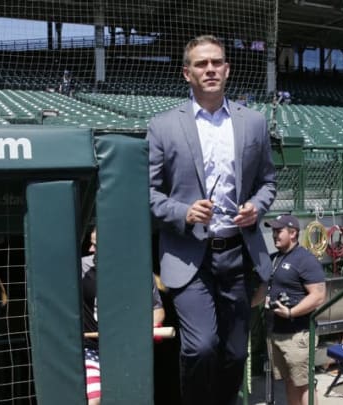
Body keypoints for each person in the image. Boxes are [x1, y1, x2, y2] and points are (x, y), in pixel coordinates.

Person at [148, 34, 276, 405]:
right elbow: (149, 193)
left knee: (235, 354)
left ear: (227, 69)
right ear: (186, 73)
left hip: (237, 254)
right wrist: (183, 212)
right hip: (189, 256)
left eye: (216, 62)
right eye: (201, 64)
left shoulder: (253, 122)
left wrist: (256, 206)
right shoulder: (163, 125)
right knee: (201, 347)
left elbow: (268, 181)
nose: (210, 69)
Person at [82, 228, 165, 405]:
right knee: (95, 399)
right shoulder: (80, 269)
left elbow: (157, 312)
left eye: (95, 246)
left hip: (126, 351)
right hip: (91, 349)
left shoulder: (139, 273)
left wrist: (149, 328)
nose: (90, 249)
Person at [264, 214, 326, 405]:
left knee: (304, 384)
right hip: (277, 333)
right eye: (273, 230)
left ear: (293, 233)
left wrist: (291, 312)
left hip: (298, 335)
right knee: (290, 381)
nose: (274, 235)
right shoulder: (274, 258)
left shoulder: (305, 259)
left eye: (278, 231)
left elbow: (318, 296)